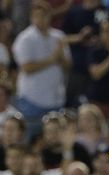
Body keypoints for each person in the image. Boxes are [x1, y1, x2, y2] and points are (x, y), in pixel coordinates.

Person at [12, 1, 72, 129]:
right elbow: (27, 67)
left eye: (44, 15)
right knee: (31, 135)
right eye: (37, 16)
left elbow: (68, 67)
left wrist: (61, 56)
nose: (41, 19)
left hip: (55, 98)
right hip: (32, 98)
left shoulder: (59, 36)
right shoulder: (25, 39)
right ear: (31, 17)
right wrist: (52, 60)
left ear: (50, 16)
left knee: (56, 137)